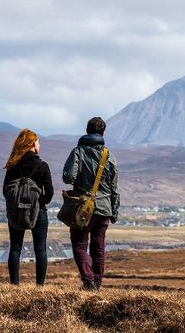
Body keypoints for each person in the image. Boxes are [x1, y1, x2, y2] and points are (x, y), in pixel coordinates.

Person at [63, 117, 120, 291]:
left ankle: (89, 283)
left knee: (79, 245)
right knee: (99, 248)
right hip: (104, 209)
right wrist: (114, 212)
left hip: (83, 208)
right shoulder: (109, 155)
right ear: (103, 133)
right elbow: (114, 188)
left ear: (87, 131)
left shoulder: (78, 151)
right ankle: (97, 283)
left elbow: (67, 177)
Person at [3, 129, 54, 285]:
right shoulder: (42, 165)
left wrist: (16, 205)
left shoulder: (12, 165)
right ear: (33, 144)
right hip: (39, 211)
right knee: (40, 249)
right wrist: (39, 203)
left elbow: (6, 190)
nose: (40, 144)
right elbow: (50, 192)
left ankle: (15, 285)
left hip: (16, 211)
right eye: (38, 141)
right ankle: (39, 286)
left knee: (15, 248)